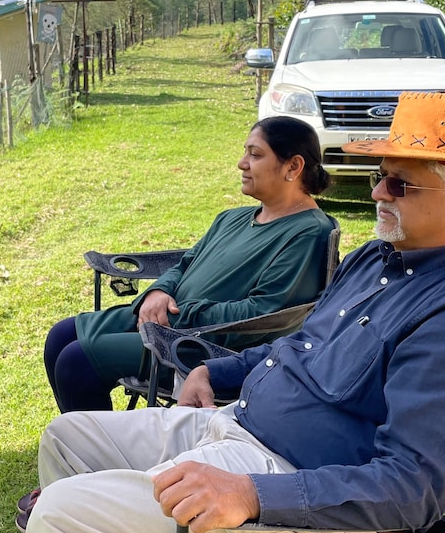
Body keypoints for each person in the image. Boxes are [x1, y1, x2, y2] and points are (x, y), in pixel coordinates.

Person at [22, 92, 445, 533]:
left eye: (400, 185)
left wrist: (253, 494)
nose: (378, 193)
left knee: (64, 516)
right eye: (380, 177)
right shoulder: (375, 259)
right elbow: (300, 344)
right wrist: (214, 370)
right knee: (67, 440)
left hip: (323, 518)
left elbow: (413, 486)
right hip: (238, 429)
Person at [44, 116, 336, 414]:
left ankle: (97, 457)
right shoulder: (231, 218)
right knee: (61, 336)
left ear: (293, 167)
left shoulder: (308, 232)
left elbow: (266, 313)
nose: (241, 163)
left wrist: (179, 315)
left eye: (255, 154)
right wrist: (158, 292)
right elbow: (184, 265)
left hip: (205, 346)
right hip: (170, 322)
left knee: (76, 361)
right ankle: (90, 446)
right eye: (245, 152)